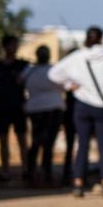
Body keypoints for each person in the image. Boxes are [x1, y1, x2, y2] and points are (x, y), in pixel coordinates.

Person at [49, 27, 103, 198]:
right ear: (101, 39)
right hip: (102, 106)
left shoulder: (78, 56)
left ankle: (78, 182)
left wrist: (69, 85)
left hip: (82, 105)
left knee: (82, 145)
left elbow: (53, 74)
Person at [0, 35, 29, 181]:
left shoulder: (22, 65)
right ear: (5, 47)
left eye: (15, 45)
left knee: (22, 139)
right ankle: (5, 170)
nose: (14, 48)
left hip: (19, 107)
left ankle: (26, 169)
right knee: (3, 140)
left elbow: (30, 82)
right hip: (2, 107)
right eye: (11, 45)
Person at [22, 45, 65, 187]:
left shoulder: (29, 71)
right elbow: (65, 86)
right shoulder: (54, 71)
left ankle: (33, 172)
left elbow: (19, 82)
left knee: (36, 141)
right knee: (47, 143)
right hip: (53, 109)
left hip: (35, 109)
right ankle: (45, 173)